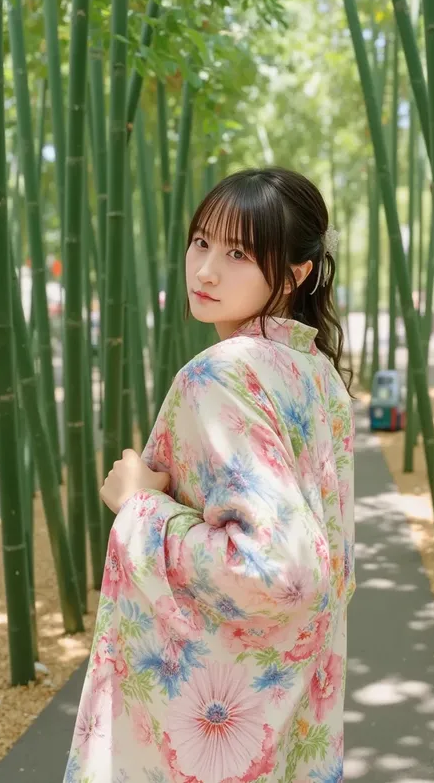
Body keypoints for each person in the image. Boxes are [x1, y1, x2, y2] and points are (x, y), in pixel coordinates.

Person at [64, 167, 355, 783]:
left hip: (220, 731)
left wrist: (141, 505)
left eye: (238, 253)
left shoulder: (220, 375)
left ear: (297, 272)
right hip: (290, 710)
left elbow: (280, 572)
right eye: (201, 242)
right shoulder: (316, 375)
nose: (205, 271)